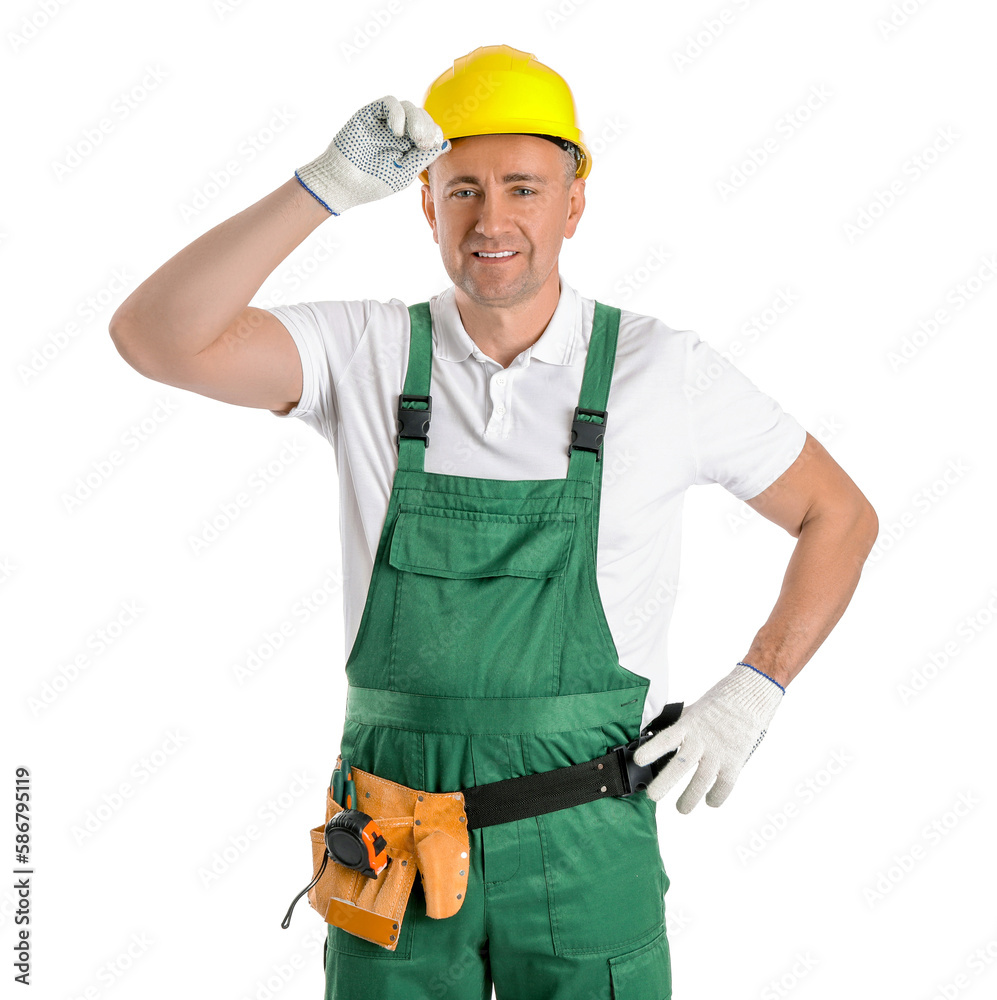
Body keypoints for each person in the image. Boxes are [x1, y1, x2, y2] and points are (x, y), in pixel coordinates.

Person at [109, 43, 878, 1000]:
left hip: (587, 838)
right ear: (425, 204)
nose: (493, 219)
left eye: (523, 186)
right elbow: (154, 336)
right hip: (389, 843)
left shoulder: (660, 370)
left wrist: (756, 685)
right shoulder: (367, 350)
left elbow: (836, 514)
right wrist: (322, 188)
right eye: (462, 189)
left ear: (574, 203)